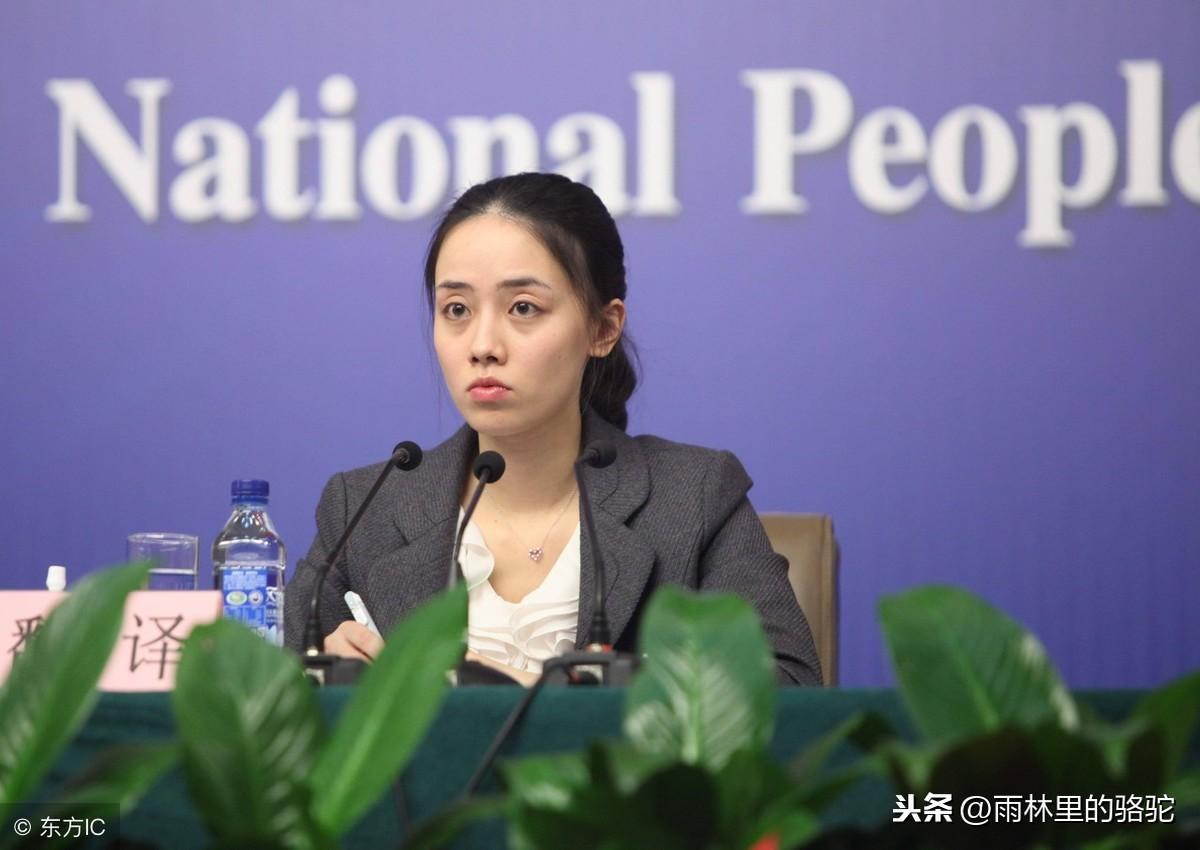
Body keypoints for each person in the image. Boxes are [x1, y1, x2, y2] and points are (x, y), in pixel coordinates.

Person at [283, 172, 821, 686]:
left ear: (603, 329)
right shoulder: (365, 509)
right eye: (456, 309)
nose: (482, 345)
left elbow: (788, 689)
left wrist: (526, 688)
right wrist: (330, 679)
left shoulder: (693, 495)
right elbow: (270, 704)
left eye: (523, 307)